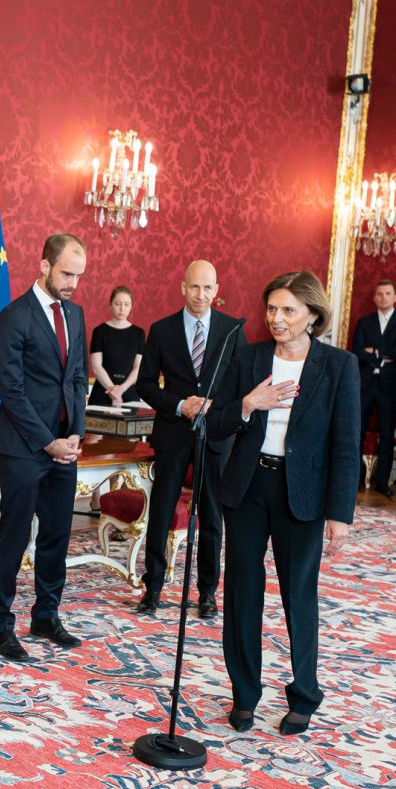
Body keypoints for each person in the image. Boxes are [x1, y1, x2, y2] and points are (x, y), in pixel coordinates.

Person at [208, 270, 359, 736]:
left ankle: (304, 694)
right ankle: (244, 695)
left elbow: (346, 444)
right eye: (271, 308)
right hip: (249, 489)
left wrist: (340, 513)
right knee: (242, 594)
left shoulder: (338, 366)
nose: (277, 318)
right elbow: (215, 426)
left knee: (299, 595)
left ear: (312, 314)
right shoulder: (249, 357)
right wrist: (248, 404)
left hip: (305, 496)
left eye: (288, 310)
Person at [0, 233, 90, 661]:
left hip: (65, 445)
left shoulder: (77, 315)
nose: (72, 284)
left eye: (79, 276)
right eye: (66, 273)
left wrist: (76, 434)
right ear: (44, 265)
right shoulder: (13, 317)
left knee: (57, 536)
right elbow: (11, 391)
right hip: (25, 447)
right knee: (15, 534)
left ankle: (46, 615)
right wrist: (48, 443)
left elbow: (78, 378)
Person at [131, 260, 245, 618]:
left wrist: (213, 405)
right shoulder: (161, 330)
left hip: (215, 436)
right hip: (173, 431)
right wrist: (180, 404)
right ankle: (153, 588)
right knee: (162, 511)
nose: (201, 295)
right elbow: (145, 384)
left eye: (208, 288)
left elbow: (240, 385)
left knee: (211, 514)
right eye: (195, 287)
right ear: (182, 287)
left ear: (217, 290)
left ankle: (207, 593)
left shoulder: (232, 330)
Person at [349, 279, 396, 496]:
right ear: (374, 298)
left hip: (391, 385)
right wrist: (385, 353)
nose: (383, 297)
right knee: (357, 432)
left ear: (395, 297)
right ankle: (355, 478)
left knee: (387, 434)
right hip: (365, 383)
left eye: (388, 293)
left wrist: (374, 352)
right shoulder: (365, 322)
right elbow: (357, 351)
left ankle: (382, 481)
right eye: (379, 294)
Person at [88, 286, 146, 407]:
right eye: (117, 304)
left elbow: (138, 367)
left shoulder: (139, 333)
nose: (122, 308)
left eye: (126, 304)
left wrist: (121, 390)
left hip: (129, 393)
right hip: (102, 392)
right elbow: (97, 366)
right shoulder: (99, 331)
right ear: (110, 304)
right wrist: (113, 391)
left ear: (131, 306)